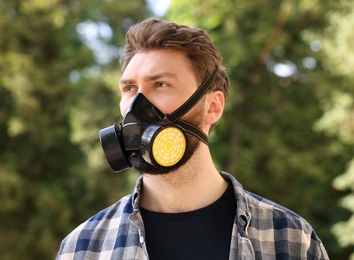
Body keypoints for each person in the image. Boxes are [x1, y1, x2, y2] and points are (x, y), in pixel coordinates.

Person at [57, 17, 329, 259]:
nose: (135, 106)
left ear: (213, 107)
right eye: (129, 88)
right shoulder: (83, 247)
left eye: (161, 84)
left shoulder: (291, 240)